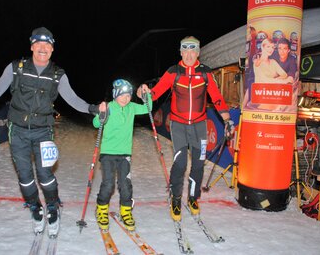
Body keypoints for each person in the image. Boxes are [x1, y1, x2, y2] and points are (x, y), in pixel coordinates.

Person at [0, 27, 101, 237]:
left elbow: (72, 99)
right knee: (25, 178)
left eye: (47, 45)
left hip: (44, 132)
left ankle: (52, 209)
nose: (43, 48)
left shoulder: (57, 74)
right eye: (39, 44)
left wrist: (92, 108)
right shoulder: (16, 68)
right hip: (17, 131)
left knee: (45, 175)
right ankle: (36, 209)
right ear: (32, 46)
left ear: (52, 49)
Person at [137, 36, 234, 221]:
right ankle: (175, 198)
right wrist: (143, 92)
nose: (189, 55)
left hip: (199, 126)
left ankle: (193, 197)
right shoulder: (173, 72)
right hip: (179, 125)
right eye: (185, 50)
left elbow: (217, 97)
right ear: (181, 52)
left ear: (198, 52)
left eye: (193, 51)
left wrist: (228, 120)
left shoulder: (205, 73)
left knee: (198, 164)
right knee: (180, 163)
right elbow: (154, 92)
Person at [94, 79, 152, 231]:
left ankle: (126, 211)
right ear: (115, 94)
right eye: (122, 95)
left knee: (125, 184)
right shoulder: (110, 107)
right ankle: (101, 210)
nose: (125, 98)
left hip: (125, 153)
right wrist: (101, 113)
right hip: (108, 153)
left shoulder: (132, 107)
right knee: (108, 184)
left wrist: (146, 95)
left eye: (128, 95)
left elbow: (148, 108)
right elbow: (96, 123)